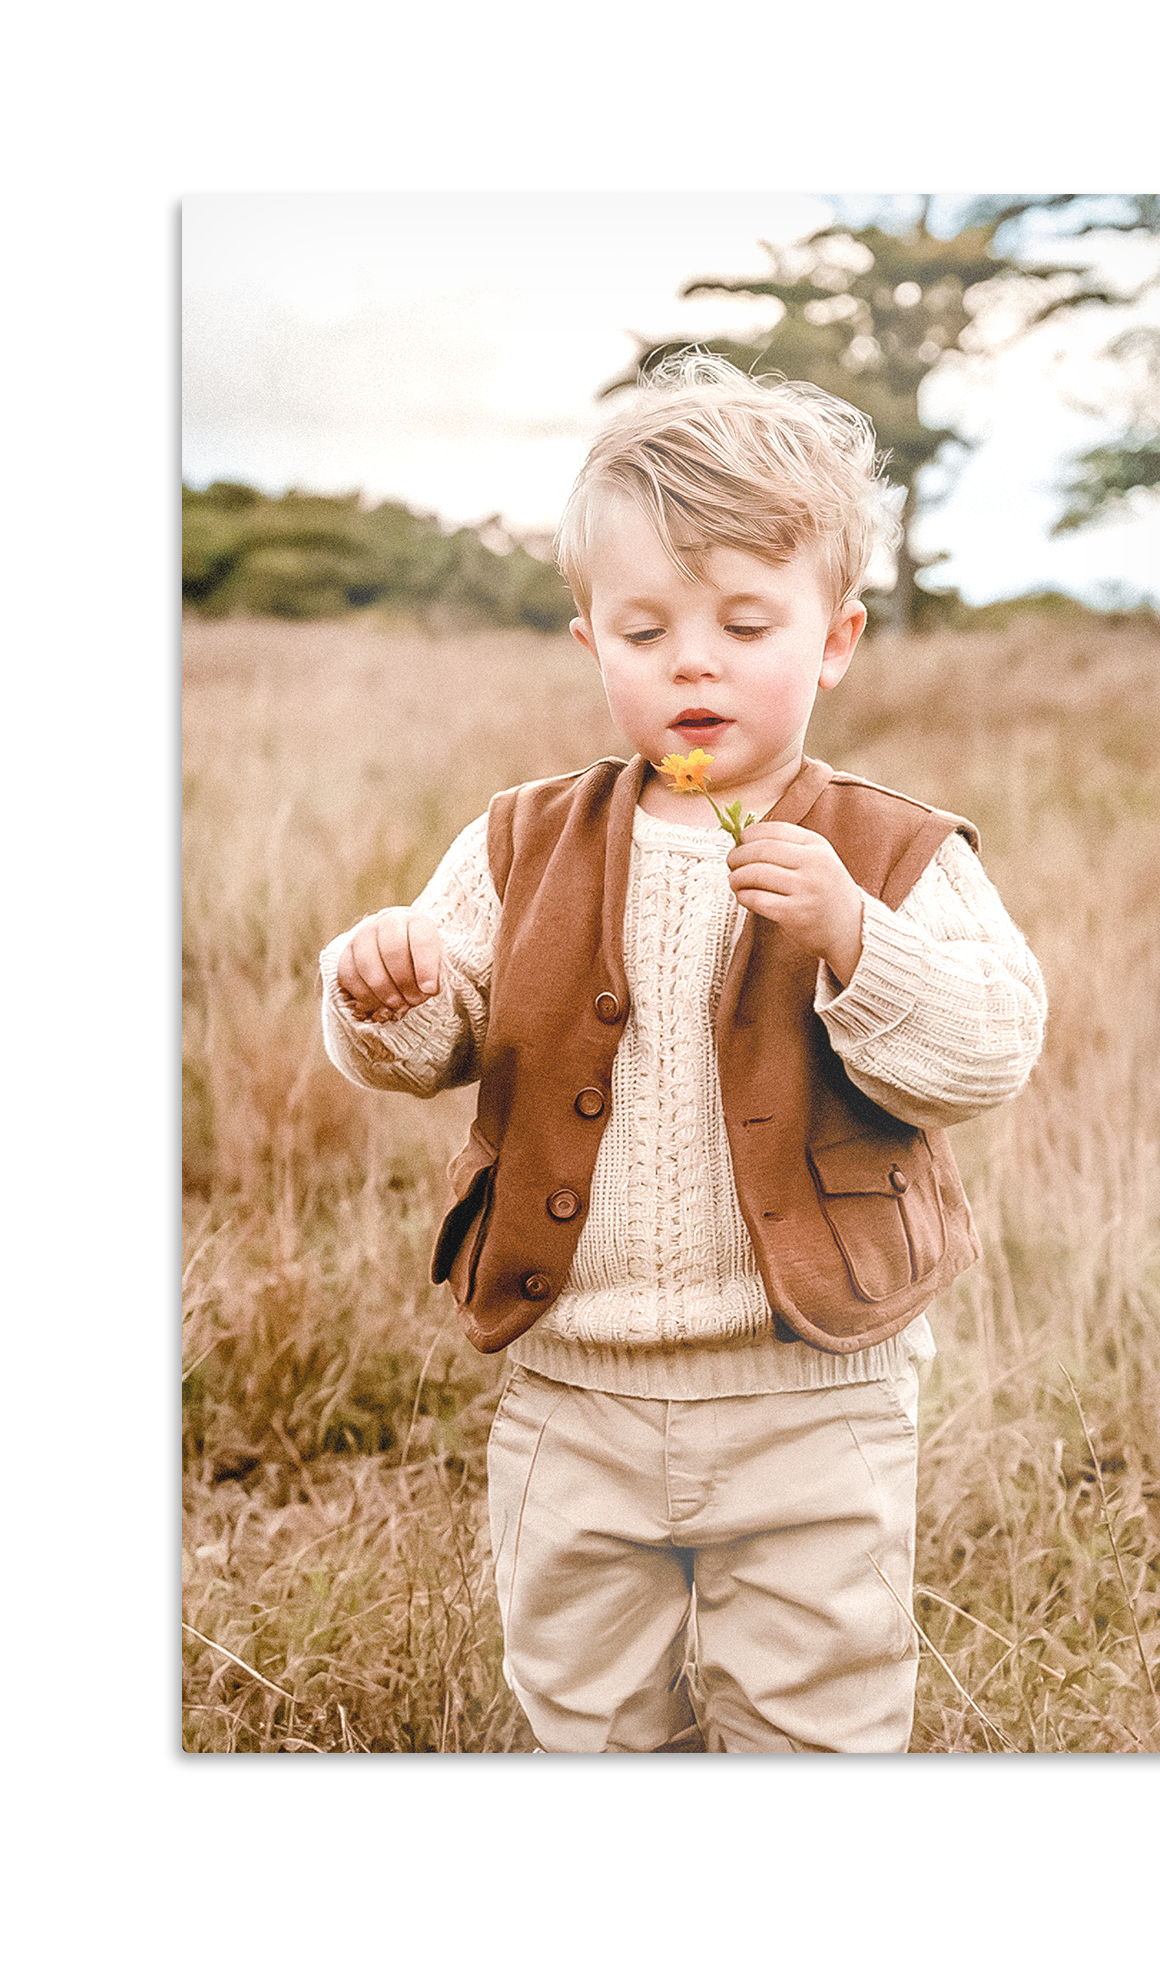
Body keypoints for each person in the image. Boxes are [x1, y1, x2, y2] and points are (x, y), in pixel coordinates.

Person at [318, 354, 1046, 1754]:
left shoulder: (894, 854)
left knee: (816, 1716)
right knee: (586, 1711)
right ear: (590, 640)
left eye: (743, 623)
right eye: (644, 630)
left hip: (813, 1397)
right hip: (573, 1391)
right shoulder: (524, 839)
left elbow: (988, 1051)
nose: (692, 662)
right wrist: (386, 989)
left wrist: (853, 938)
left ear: (833, 638)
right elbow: (436, 1036)